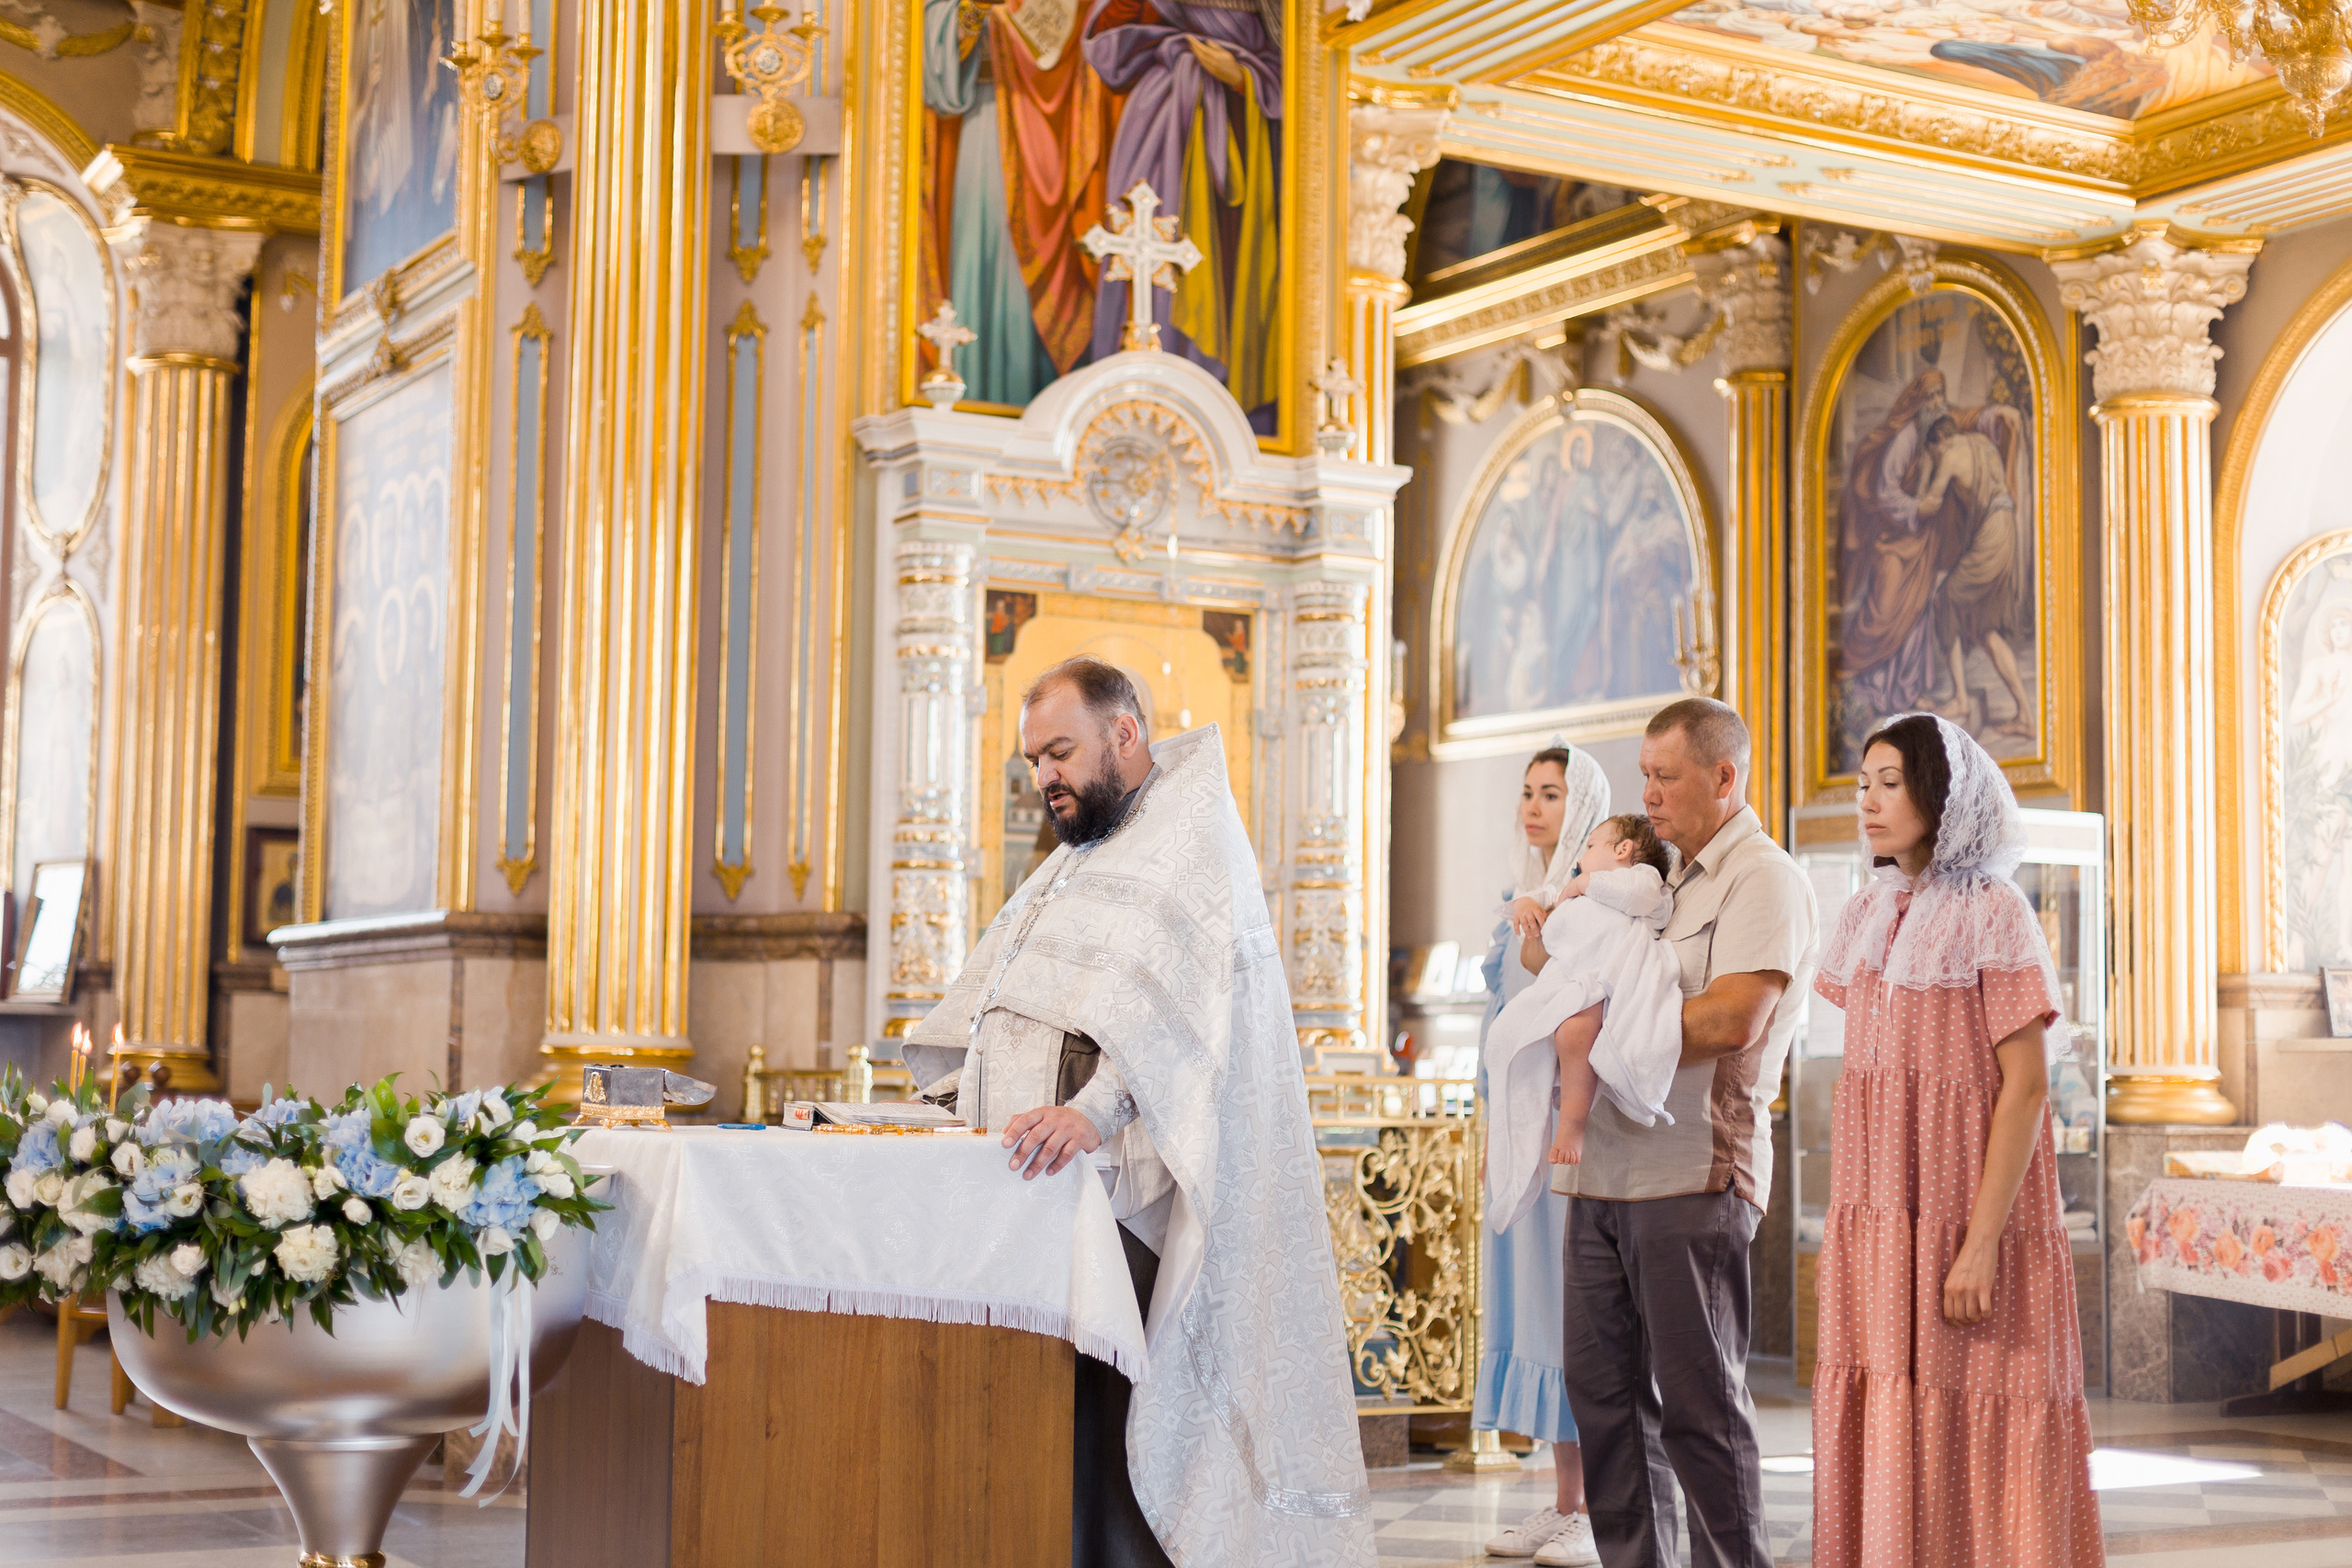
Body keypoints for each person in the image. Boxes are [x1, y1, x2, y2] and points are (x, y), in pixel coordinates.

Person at [903, 657, 1373, 1568]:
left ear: (1125, 733)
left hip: (1120, 1190)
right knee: (1052, 1424)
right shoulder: (1078, 858)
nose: (1044, 776)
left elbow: (1188, 1016)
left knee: (1113, 1426)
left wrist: (1089, 1111)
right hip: (1033, 1190)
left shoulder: (1193, 843)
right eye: (1033, 759)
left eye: (1059, 751)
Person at [1809, 713, 2102, 1567]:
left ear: (1944, 796)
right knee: (1888, 1403)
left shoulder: (1995, 911)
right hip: (1879, 1219)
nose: (1868, 800)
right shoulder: (1868, 911)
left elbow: (2028, 1086)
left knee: (1980, 1400)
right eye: (1863, 782)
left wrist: (1977, 1246)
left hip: (1965, 1216)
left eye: (1890, 782)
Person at [1555, 696, 1818, 1568]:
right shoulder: (1653, 871)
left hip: (1694, 1171)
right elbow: (1565, 965)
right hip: (1600, 1172)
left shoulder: (1763, 876)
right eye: (1644, 775)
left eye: (1666, 777)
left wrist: (1611, 1030)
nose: (1650, 793)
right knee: (1604, 1399)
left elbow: (1735, 1016)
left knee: (1700, 1408)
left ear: (1724, 776)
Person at [1476, 748, 1607, 1566]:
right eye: (1527, 791)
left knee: (1577, 1318)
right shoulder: (1518, 904)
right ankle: (1564, 1502)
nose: (1533, 805)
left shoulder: (1594, 912)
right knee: (1532, 1310)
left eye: (1551, 793)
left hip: (1566, 1138)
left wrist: (1546, 919)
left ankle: (1603, 1506)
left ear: (1583, 805)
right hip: (1513, 1135)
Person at [1484, 815, 1681, 1208]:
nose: (1581, 856)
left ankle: (1572, 1125)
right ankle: (1525, 1132)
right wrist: (1527, 904)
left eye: (1591, 846)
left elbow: (1647, 900)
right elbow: (1541, 898)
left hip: (1603, 980)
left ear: (1623, 850)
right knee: (1505, 1037)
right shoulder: (1576, 888)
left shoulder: (1640, 879)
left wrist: (1585, 883)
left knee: (1573, 1033)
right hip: (1569, 978)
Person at [1914, 417, 2032, 739]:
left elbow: (1931, 502)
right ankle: (2026, 714)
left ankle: (1961, 699)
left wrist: (1924, 476)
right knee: (1986, 630)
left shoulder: (1950, 453)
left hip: (1991, 533)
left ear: (1939, 442)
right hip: (2006, 526)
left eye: (1933, 452)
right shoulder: (1981, 443)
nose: (1937, 458)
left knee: (1944, 600)